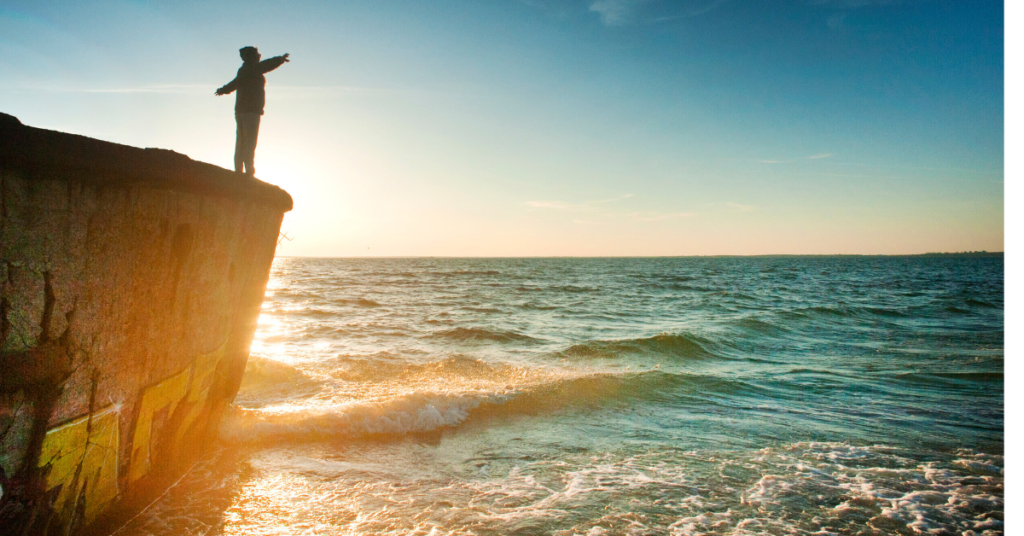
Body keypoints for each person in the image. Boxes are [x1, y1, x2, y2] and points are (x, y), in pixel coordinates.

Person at [215, 46, 290, 176]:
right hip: (251, 112)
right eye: (257, 54)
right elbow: (266, 65)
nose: (259, 56)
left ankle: (239, 170)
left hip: (241, 111)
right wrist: (280, 59)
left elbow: (234, 84)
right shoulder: (252, 68)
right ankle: (249, 172)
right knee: (249, 141)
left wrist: (223, 90)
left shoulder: (243, 70)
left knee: (241, 141)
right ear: (251, 56)